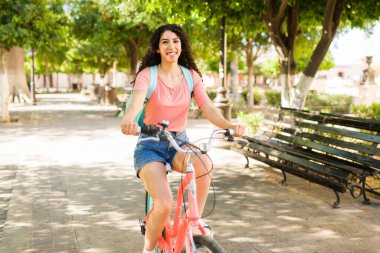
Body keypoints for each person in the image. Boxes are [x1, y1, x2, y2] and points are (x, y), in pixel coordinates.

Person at [120, 24, 245, 253]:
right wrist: (129, 118)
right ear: (158, 48)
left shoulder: (191, 76)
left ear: (181, 46)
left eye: (175, 41)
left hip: (179, 142)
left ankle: (192, 223)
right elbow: (137, 100)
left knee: (204, 163)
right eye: (165, 42)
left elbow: (207, 106)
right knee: (165, 204)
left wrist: (229, 125)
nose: (171, 46)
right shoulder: (148, 74)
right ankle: (148, 249)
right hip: (150, 144)